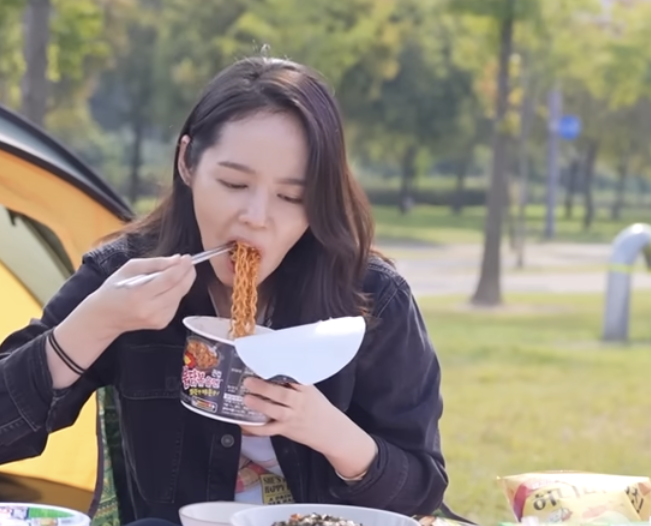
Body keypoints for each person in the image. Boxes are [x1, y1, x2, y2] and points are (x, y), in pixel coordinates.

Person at [0, 56, 448, 524]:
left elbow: (421, 492)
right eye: (234, 183)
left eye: (291, 196)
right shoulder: (125, 274)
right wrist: (95, 324)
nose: (256, 215)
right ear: (187, 162)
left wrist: (328, 431)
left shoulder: (371, 297)